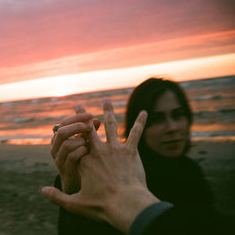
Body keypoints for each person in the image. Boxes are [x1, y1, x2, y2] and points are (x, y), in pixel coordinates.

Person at [48, 78, 216, 235]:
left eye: (178, 115)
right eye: (157, 119)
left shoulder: (191, 171)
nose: (172, 127)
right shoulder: (116, 177)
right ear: (137, 126)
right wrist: (74, 188)